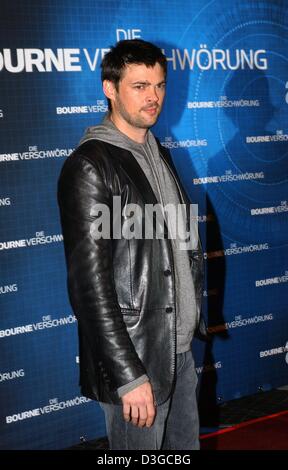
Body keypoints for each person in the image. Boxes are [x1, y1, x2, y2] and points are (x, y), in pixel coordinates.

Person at [58, 39, 205, 450]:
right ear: (110, 88)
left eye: (159, 85)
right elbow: (89, 287)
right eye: (139, 86)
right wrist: (128, 376)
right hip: (137, 360)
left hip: (178, 349)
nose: (153, 97)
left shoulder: (157, 153)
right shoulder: (90, 166)